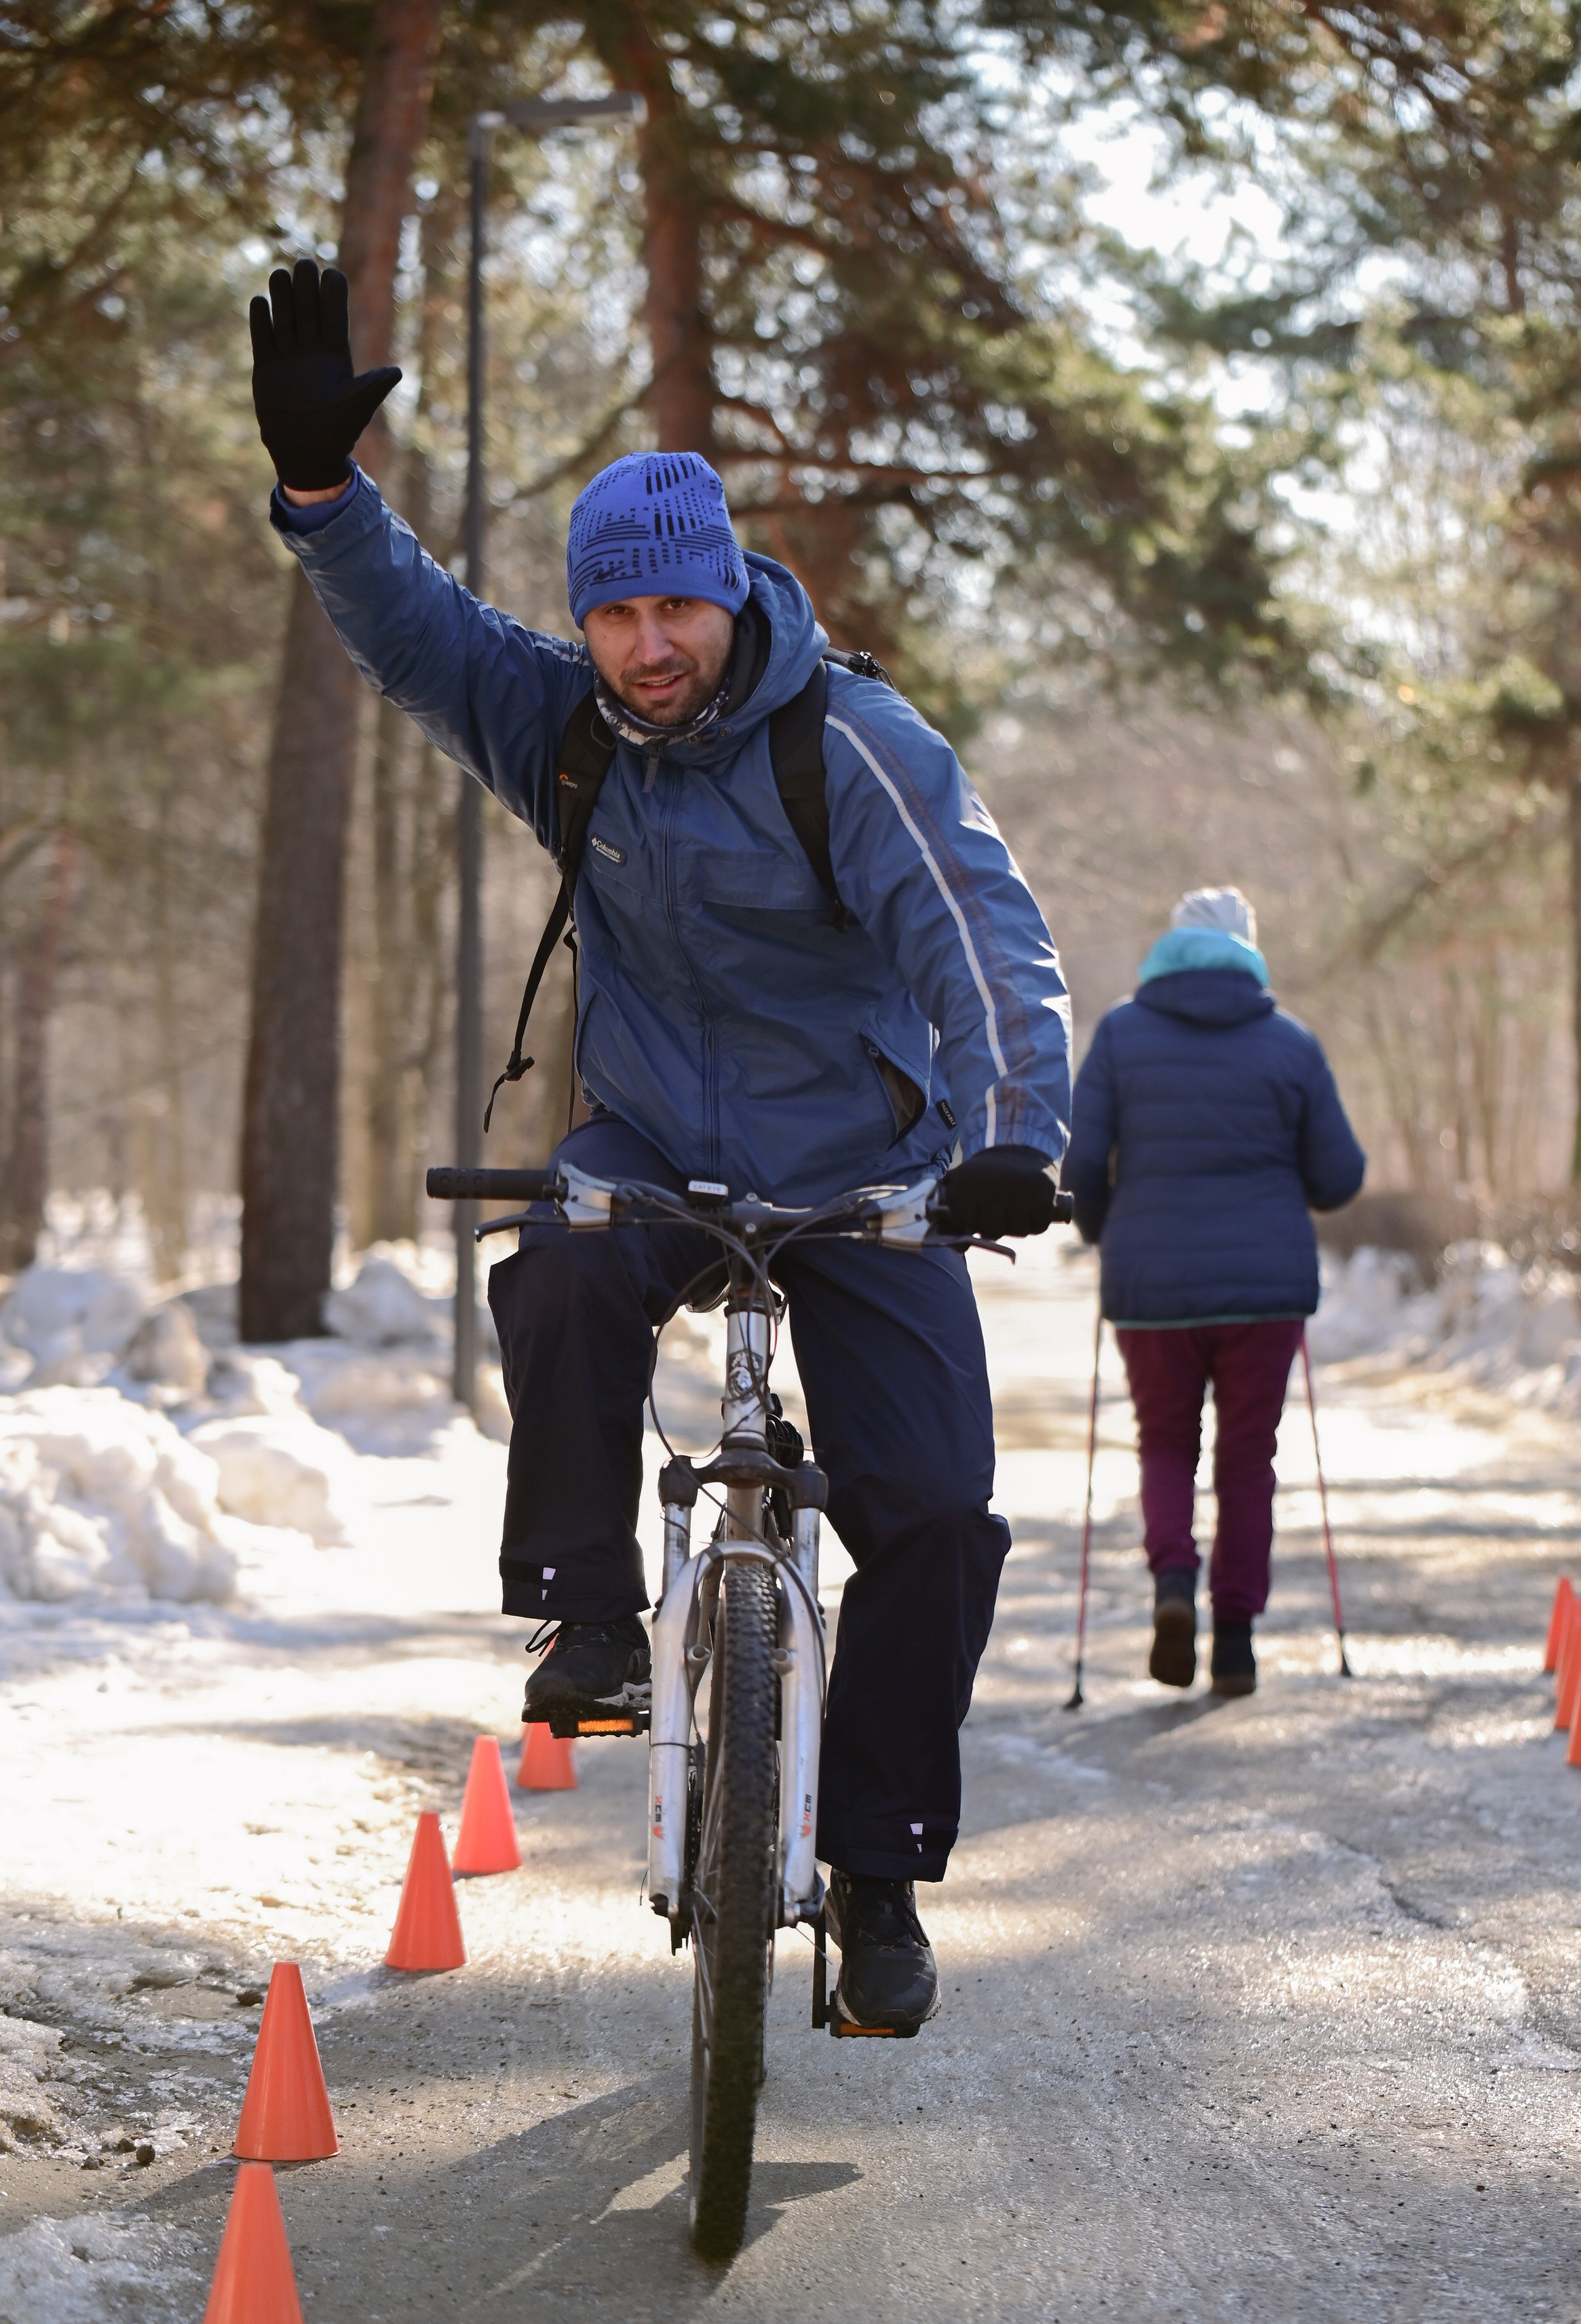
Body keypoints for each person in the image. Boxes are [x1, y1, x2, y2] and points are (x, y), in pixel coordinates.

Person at [247, 261, 1071, 2032]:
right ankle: (592, 1616)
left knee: (935, 1512)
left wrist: (1011, 1135)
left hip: (862, 1163)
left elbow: (981, 937)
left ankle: (870, 1869)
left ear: (727, 592)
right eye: (617, 618)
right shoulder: (560, 727)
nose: (650, 645)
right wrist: (324, 496)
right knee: (551, 1254)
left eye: (676, 608)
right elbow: (414, 625)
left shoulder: (848, 741)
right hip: (657, 1140)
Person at [1063, 886, 1364, 1697]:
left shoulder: (1121, 1036)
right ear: (1248, 949)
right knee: (1247, 1458)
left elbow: (1081, 1165)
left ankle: (1171, 1584)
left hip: (1151, 1281)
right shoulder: (1291, 1044)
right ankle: (1234, 1640)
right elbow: (1339, 1177)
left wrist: (1101, 1232)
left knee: (1164, 1441)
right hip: (1264, 1291)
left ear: (1171, 948)